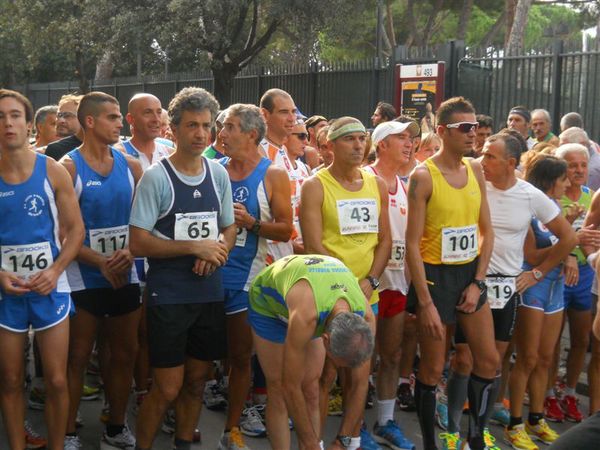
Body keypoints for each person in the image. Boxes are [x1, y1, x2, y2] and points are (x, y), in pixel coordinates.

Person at [443, 133, 575, 450]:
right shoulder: (474, 182)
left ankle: (479, 431)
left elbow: (568, 238)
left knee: (494, 363)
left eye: (490, 156)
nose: (481, 159)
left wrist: (536, 274)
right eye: (483, 154)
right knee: (463, 359)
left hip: (507, 286)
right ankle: (451, 431)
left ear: (511, 163)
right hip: (472, 282)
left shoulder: (529, 195)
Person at [129, 87, 236, 450]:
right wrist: (194, 247)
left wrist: (217, 252)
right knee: (167, 387)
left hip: (209, 293)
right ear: (172, 129)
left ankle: (183, 444)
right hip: (170, 295)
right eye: (192, 125)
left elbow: (229, 227)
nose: (201, 134)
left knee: (197, 382)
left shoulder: (217, 174)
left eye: (207, 126)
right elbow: (138, 243)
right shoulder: (156, 178)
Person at [405, 97, 498, 450]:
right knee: (431, 369)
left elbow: (486, 231)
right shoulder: (423, 176)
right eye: (465, 128)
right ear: (442, 131)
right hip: (434, 277)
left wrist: (478, 282)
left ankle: (475, 436)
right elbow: (412, 244)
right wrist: (426, 303)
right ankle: (432, 443)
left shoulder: (475, 169)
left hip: (468, 274)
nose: (473, 134)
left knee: (487, 360)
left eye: (475, 127)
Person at [0, 89, 84, 450]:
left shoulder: (51, 169)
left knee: (57, 380)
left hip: (51, 286)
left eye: (15, 115)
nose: (7, 123)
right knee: (11, 380)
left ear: (28, 122)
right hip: (7, 291)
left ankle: (57, 444)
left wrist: (56, 270)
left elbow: (76, 230)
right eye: (0, 117)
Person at [301, 116, 391, 449]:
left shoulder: (376, 184)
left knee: (359, 373)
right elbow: (313, 246)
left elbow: (384, 240)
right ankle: (316, 442)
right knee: (321, 377)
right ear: (331, 145)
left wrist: (370, 280)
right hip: (328, 295)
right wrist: (346, 288)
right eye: (349, 139)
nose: (358, 145)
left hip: (367, 291)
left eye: (361, 138)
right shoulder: (315, 186)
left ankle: (346, 440)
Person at [60, 91, 143, 450]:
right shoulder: (69, 168)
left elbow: (145, 224)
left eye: (119, 117)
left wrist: (127, 252)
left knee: (124, 353)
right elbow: (63, 234)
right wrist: (101, 261)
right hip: (84, 276)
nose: (120, 123)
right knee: (77, 357)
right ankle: (67, 433)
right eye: (112, 117)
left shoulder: (132, 166)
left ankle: (116, 426)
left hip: (125, 271)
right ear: (90, 122)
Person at [218, 103, 294, 449]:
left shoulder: (272, 174)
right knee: (200, 358)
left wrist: (252, 223)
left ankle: (231, 427)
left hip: (248, 277)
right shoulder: (213, 170)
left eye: (230, 127)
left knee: (240, 356)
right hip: (206, 273)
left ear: (251, 134)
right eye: (222, 126)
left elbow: (286, 230)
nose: (222, 133)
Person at [249, 254, 376, 450]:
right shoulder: (307, 317)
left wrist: (343, 441)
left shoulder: (365, 319)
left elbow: (360, 384)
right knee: (277, 388)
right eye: (339, 363)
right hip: (269, 305)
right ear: (325, 338)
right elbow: (289, 386)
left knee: (311, 388)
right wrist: (310, 444)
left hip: (316, 294)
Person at [506, 155, 578, 450]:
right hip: (532, 285)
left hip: (555, 287)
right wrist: (564, 245)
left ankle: (536, 419)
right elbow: (533, 256)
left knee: (547, 359)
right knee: (528, 357)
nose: (568, 183)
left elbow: (566, 243)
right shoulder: (528, 209)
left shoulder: (556, 210)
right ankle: (514, 424)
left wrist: (569, 246)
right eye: (563, 179)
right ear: (550, 181)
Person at [363, 120, 420, 450]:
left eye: (411, 138)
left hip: (397, 284)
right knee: (361, 359)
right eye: (401, 137)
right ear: (382, 144)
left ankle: (385, 421)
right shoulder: (366, 179)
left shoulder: (405, 185)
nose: (408, 142)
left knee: (392, 355)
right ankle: (354, 427)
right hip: (368, 283)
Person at [547, 144, 595, 423]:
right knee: (552, 341)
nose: (578, 171)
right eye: (572, 165)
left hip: (586, 276)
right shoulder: (554, 199)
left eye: (582, 165)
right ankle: (549, 392)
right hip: (558, 274)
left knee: (580, 339)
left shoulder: (592, 198)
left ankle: (570, 391)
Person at [259, 88, 297, 260]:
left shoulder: (283, 149)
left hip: (286, 248)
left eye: (293, 112)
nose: (291, 118)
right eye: (284, 112)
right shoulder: (259, 151)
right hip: (266, 251)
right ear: (265, 115)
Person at [116, 93, 172, 170]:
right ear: (130, 119)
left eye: (159, 112)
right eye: (148, 112)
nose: (156, 119)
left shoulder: (170, 153)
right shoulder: (117, 155)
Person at [45, 94, 84, 161]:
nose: (61, 120)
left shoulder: (101, 147)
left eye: (68, 115)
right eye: (59, 115)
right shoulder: (54, 149)